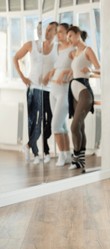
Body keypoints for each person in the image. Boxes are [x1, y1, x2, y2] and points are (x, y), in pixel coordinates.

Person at [13, 21, 58, 164]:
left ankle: (29, 146)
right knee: (34, 121)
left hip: (49, 89)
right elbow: (15, 58)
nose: (46, 32)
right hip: (33, 87)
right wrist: (22, 77)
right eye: (45, 29)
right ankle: (37, 153)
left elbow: (60, 65)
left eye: (50, 30)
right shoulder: (30, 44)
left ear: (55, 33)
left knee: (50, 120)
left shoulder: (57, 48)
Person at [67, 26, 100, 172]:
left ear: (78, 34)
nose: (69, 39)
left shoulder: (88, 50)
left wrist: (91, 70)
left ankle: (77, 158)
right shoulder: (74, 53)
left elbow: (100, 68)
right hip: (73, 89)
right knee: (80, 126)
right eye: (67, 37)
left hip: (84, 92)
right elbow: (75, 70)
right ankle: (79, 161)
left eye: (71, 36)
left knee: (74, 126)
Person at [43, 23, 75, 166]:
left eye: (61, 32)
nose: (58, 35)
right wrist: (50, 73)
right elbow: (56, 67)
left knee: (55, 125)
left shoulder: (72, 49)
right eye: (58, 32)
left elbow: (78, 67)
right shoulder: (59, 49)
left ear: (68, 33)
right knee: (62, 125)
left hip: (63, 90)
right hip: (53, 90)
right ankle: (67, 155)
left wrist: (68, 72)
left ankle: (61, 155)